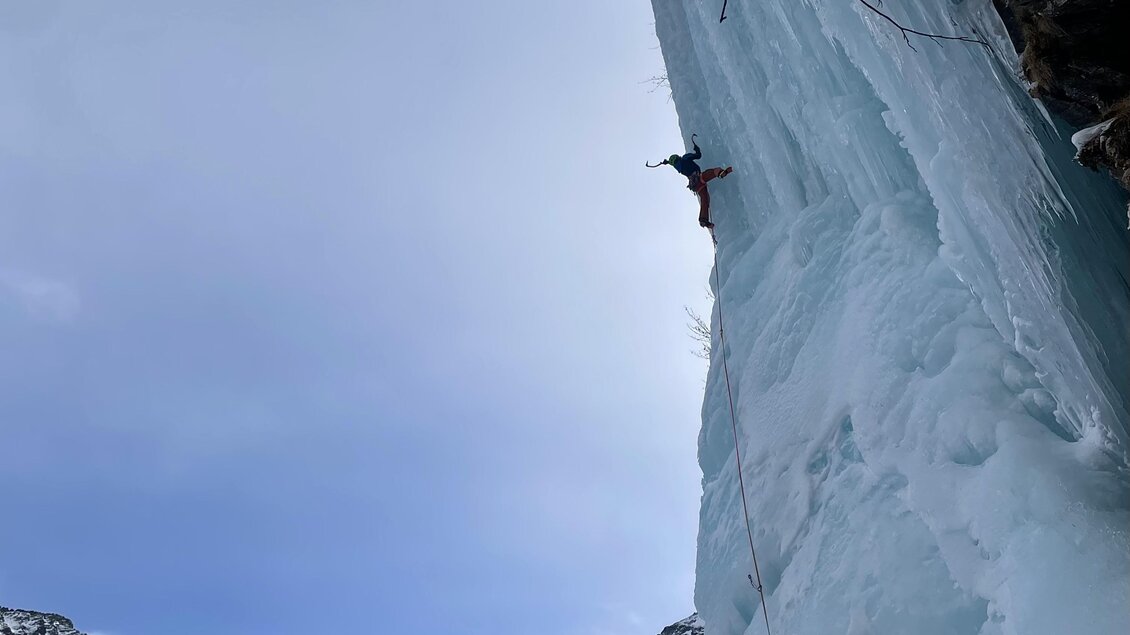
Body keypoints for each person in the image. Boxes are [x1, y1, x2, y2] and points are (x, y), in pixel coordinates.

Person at [658, 137, 733, 228]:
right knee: (713, 172)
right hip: (699, 177)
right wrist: (696, 149)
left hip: (695, 185)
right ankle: (721, 173)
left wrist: (667, 162)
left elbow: (672, 162)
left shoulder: (679, 168)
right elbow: (698, 156)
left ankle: (703, 219)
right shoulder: (685, 158)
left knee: (705, 200)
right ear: (678, 157)